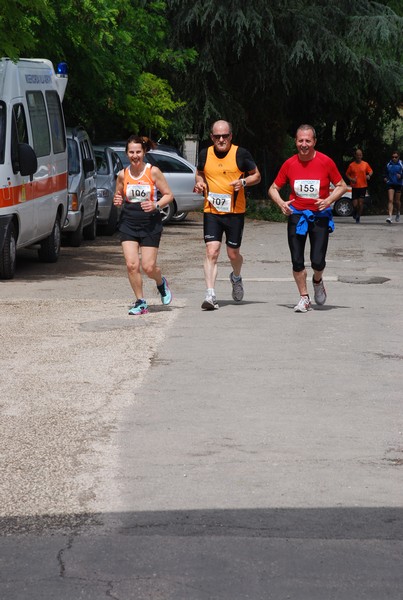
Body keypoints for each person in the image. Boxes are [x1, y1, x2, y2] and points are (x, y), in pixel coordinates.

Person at [268, 124, 347, 313]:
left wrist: (328, 200)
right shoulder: (289, 164)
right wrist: (281, 204)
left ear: (314, 142)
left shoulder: (325, 162)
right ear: (296, 141)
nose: (304, 144)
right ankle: (304, 297)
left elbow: (342, 185)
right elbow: (272, 188)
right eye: (300, 140)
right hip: (297, 216)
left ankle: (317, 280)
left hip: (319, 217)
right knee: (297, 260)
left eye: (308, 141)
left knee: (317, 261)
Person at [194, 120, 261, 310]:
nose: (221, 139)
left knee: (233, 254)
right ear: (211, 137)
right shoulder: (204, 153)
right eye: (217, 136)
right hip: (212, 211)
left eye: (225, 136)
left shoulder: (241, 153)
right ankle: (210, 295)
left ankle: (236, 276)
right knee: (211, 251)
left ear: (231, 136)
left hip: (234, 212)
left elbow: (257, 175)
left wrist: (244, 182)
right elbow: (199, 173)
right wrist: (200, 182)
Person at [113, 135, 174, 315]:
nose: (135, 155)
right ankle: (140, 302)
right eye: (131, 152)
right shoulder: (122, 174)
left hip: (150, 224)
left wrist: (156, 205)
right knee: (132, 265)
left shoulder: (153, 171)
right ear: (126, 154)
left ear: (144, 152)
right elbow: (118, 196)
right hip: (128, 223)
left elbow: (169, 195)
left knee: (148, 267)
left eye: (138, 152)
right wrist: (117, 200)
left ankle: (161, 283)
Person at [345, 149, 373, 223]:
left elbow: (370, 171)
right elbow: (347, 174)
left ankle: (358, 217)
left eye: (360, 155)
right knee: (355, 204)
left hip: (363, 186)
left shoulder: (365, 164)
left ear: (362, 156)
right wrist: (351, 179)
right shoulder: (351, 165)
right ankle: (355, 212)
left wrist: (369, 175)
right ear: (355, 156)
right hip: (355, 187)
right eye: (357, 155)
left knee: (360, 203)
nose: (359, 157)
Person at [384, 151, 402, 224]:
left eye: (396, 157)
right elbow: (385, 173)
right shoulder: (389, 164)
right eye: (393, 157)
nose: (394, 158)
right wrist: (385, 178)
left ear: (398, 157)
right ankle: (390, 217)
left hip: (398, 184)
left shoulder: (401, 164)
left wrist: (401, 176)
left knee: (397, 201)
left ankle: (398, 212)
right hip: (390, 184)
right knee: (390, 200)